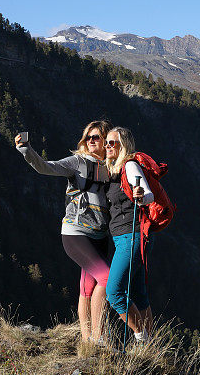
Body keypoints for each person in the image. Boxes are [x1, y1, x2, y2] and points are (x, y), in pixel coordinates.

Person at [14, 120, 112, 344]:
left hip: (100, 235)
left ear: (106, 140)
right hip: (75, 232)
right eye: (88, 137)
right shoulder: (77, 162)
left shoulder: (112, 166)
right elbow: (46, 167)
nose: (91, 141)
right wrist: (26, 150)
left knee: (87, 289)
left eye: (96, 137)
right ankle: (99, 339)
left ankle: (87, 344)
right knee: (106, 279)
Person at [104, 126, 154, 343]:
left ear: (122, 146)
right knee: (138, 293)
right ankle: (151, 343)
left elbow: (148, 195)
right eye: (106, 142)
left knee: (114, 292)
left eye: (111, 143)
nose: (107, 146)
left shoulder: (130, 165)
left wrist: (140, 196)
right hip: (128, 237)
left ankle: (141, 338)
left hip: (132, 237)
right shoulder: (115, 170)